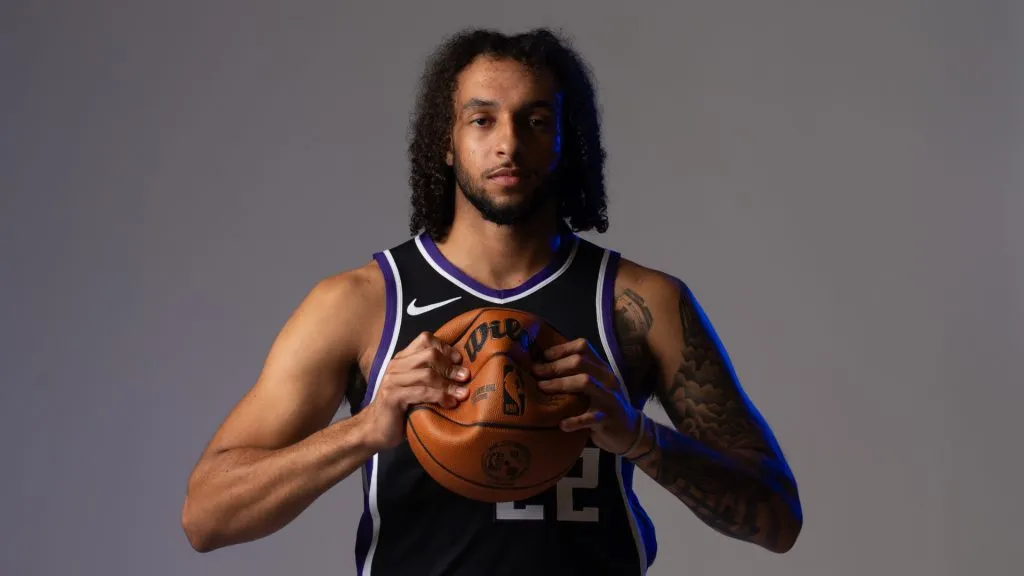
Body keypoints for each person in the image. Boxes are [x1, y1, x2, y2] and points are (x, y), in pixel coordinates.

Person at [180, 27, 803, 575]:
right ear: (446, 142)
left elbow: (778, 520)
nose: (509, 144)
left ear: (566, 140)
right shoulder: (362, 303)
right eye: (482, 119)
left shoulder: (639, 303)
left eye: (535, 121)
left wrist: (639, 436)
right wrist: (366, 429)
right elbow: (207, 516)